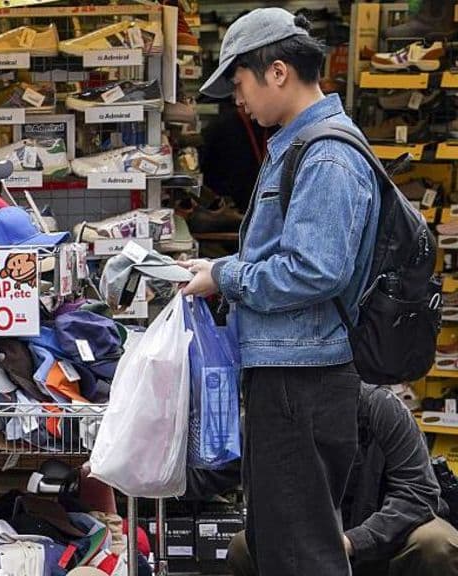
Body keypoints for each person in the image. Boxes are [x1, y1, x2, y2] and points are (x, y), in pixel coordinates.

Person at [182, 8, 381, 576]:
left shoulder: (327, 155)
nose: (237, 100)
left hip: (302, 380)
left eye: (239, 83)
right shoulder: (301, 147)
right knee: (280, 544)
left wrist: (225, 276)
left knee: (300, 554)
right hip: (292, 373)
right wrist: (222, 268)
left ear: (277, 72)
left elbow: (314, 271)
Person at [226, 385, 458, 576]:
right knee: (243, 547)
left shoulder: (382, 407)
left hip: (390, 538)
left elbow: (418, 491)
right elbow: (230, 468)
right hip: (311, 540)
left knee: (437, 543)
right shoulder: (278, 412)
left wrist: (354, 541)